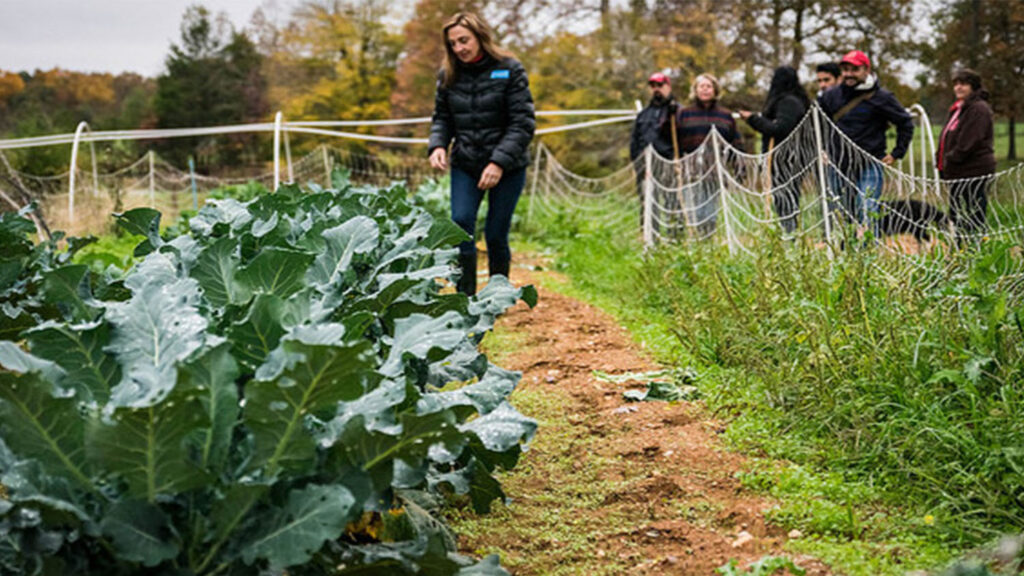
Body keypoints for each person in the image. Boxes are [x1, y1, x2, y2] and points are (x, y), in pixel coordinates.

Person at [428, 12, 535, 295]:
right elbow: (442, 118)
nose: (459, 48)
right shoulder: (448, 76)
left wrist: (498, 162)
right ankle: (466, 299)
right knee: (461, 225)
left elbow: (522, 124)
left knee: (495, 234)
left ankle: (497, 296)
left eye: (464, 40)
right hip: (466, 163)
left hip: (508, 167)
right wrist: (437, 144)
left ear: (480, 37)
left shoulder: (510, 69)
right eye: (453, 44)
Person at [818, 50, 914, 227]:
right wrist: (822, 149)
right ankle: (843, 252)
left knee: (867, 212)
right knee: (839, 213)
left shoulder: (882, 98)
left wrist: (897, 153)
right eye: (845, 69)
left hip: (869, 163)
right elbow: (818, 123)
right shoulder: (831, 96)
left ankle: (869, 252)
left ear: (866, 70)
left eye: (854, 69)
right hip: (837, 164)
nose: (849, 74)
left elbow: (905, 123)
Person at [670, 73, 743, 238]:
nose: (705, 89)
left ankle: (707, 244)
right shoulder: (684, 114)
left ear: (715, 90)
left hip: (715, 171)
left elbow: (735, 143)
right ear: (695, 90)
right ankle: (694, 244)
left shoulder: (725, 116)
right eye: (701, 86)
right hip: (690, 171)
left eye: (708, 86)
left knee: (710, 213)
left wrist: (740, 167)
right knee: (693, 212)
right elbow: (671, 137)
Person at [739, 66, 811, 233]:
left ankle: (790, 235)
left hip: (787, 159)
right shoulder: (793, 100)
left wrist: (753, 119)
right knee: (782, 200)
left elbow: (779, 128)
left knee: (786, 200)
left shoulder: (788, 102)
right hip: (784, 158)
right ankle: (787, 233)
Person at [936, 68, 995, 242]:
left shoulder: (978, 109)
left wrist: (951, 159)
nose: (958, 88)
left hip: (972, 171)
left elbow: (969, 141)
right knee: (958, 214)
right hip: (958, 172)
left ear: (973, 86)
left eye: (964, 84)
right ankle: (960, 250)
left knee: (971, 214)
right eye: (956, 84)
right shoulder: (959, 108)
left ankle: (972, 250)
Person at [630, 72, 679, 230]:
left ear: (668, 86)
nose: (656, 89)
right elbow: (635, 142)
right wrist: (637, 166)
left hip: (669, 163)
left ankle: (675, 238)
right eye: (653, 86)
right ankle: (651, 239)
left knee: (673, 203)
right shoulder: (643, 115)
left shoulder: (677, 112)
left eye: (660, 85)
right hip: (647, 167)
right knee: (648, 203)